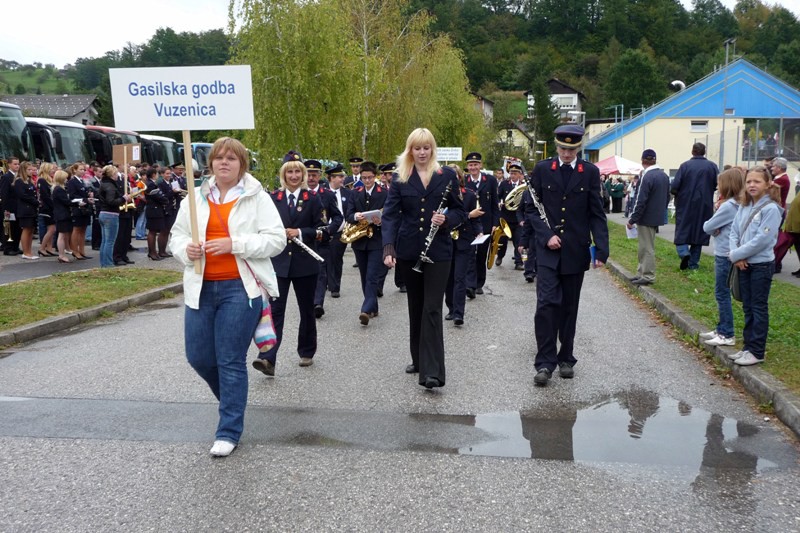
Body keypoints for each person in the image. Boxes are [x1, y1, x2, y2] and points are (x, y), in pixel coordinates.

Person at [169, 137, 286, 457]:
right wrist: (185, 250)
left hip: (240, 288)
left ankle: (229, 429)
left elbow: (275, 241)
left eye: (231, 159)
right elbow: (176, 237)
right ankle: (234, 401)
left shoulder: (256, 197)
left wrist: (234, 244)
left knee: (229, 359)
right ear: (210, 164)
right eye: (218, 158)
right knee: (199, 357)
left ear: (241, 164)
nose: (224, 163)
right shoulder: (194, 198)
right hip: (200, 286)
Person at [382, 127, 466, 389]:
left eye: (426, 147)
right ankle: (418, 359)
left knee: (432, 307)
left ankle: (432, 373)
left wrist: (447, 220)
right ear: (410, 150)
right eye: (416, 148)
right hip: (409, 251)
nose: (421, 152)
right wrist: (388, 247)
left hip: (439, 252)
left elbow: (460, 211)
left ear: (433, 149)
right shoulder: (400, 178)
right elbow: (390, 215)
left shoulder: (447, 175)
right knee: (416, 307)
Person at [525, 124, 609, 386]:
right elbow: (530, 208)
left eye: (571, 149)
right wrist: (545, 234)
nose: (566, 153)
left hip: (575, 250)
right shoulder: (542, 169)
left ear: (578, 148)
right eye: (562, 148)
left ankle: (566, 358)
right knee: (546, 305)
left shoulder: (590, 173)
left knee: (569, 308)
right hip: (548, 251)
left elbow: (596, 212)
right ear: (556, 145)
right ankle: (545, 362)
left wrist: (602, 250)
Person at [252, 151, 324, 377]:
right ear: (283, 175)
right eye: (289, 172)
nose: (293, 176)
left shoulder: (313, 199)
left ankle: (306, 351)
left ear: (303, 174)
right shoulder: (273, 198)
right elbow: (262, 227)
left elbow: (321, 230)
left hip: (305, 264)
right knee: (275, 312)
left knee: (306, 310)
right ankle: (267, 358)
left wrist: (300, 232)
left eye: (297, 172)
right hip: (279, 264)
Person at [727, 166, 783, 366]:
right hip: (743, 264)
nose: (752, 185)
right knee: (748, 307)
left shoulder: (771, 209)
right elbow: (734, 231)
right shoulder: (744, 206)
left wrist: (736, 254)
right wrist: (736, 255)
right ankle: (747, 347)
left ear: (767, 184)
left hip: (760, 266)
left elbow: (762, 240)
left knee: (758, 307)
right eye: (749, 181)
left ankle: (757, 350)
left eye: (757, 181)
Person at [700, 167, 745, 347]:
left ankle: (726, 332)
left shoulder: (727, 206)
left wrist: (712, 226)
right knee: (723, 292)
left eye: (719, 183)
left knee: (722, 292)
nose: (717, 187)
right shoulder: (739, 204)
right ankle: (721, 328)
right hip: (730, 251)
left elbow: (708, 226)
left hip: (724, 252)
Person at [349, 161, 387, 325]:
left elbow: (390, 215)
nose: (367, 181)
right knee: (365, 276)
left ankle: (365, 309)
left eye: (370, 177)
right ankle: (374, 307)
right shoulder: (355, 192)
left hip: (377, 240)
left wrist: (380, 221)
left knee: (372, 275)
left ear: (375, 176)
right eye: (364, 178)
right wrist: (355, 216)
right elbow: (347, 214)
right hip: (360, 240)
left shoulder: (383, 193)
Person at [626, 149, 671, 286]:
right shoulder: (663, 175)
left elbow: (641, 199)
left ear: (643, 160)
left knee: (646, 247)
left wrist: (632, 218)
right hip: (656, 215)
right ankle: (641, 272)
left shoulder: (647, 176)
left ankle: (647, 275)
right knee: (644, 246)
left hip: (646, 216)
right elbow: (668, 196)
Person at [671, 142, 719, 270]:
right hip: (704, 203)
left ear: (693, 151)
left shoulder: (685, 166)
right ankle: (693, 264)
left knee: (682, 229)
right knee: (699, 232)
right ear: (704, 152)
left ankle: (683, 253)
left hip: (685, 203)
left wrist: (677, 194)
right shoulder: (712, 167)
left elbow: (675, 185)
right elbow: (717, 184)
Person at [445, 163, 482, 326]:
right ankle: (451, 308)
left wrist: (479, 231)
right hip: (446, 240)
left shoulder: (470, 195)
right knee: (448, 278)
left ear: (460, 177)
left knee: (460, 278)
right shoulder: (441, 195)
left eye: (455, 176)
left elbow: (477, 218)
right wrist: (469, 215)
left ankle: (459, 313)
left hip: (464, 241)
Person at [306, 159, 342, 319]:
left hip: (322, 240)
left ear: (320, 175)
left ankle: (317, 303)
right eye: (308, 174)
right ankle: (308, 301)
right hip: (304, 241)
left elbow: (337, 217)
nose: (311, 178)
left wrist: (330, 230)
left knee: (321, 273)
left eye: (314, 175)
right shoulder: (300, 193)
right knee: (307, 274)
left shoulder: (327, 195)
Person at [463, 151, 499, 294]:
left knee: (481, 255)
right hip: (469, 224)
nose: (473, 167)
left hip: (485, 224)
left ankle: (479, 283)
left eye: (476, 164)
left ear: (481, 165)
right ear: (467, 166)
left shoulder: (490, 180)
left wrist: (495, 224)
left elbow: (495, 204)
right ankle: (470, 284)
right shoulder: (464, 181)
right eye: (471, 165)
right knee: (470, 254)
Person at [325, 164, 352, 298]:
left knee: (336, 259)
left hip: (341, 232)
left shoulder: (347, 193)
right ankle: (324, 283)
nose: (343, 179)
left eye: (343, 176)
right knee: (324, 258)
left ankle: (335, 287)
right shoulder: (323, 192)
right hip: (325, 231)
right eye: (340, 176)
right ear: (331, 178)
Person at [97, 164, 130, 268]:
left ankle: (104, 263)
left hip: (103, 213)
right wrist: (123, 199)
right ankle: (108, 264)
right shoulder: (110, 186)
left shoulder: (104, 183)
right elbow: (111, 201)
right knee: (110, 242)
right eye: (115, 173)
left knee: (105, 241)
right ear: (111, 174)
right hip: (110, 215)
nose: (117, 175)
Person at [496, 164, 524, 269]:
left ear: (519, 174)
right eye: (511, 173)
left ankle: (518, 262)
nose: (512, 175)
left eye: (515, 173)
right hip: (505, 218)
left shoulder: (523, 185)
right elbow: (497, 197)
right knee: (502, 240)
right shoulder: (504, 184)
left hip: (518, 218)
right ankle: (500, 256)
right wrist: (499, 202)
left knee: (519, 241)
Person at [66, 162, 93, 260]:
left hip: (85, 208)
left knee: (83, 230)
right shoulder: (72, 182)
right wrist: (85, 199)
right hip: (77, 208)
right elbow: (72, 196)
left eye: (84, 170)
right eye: (80, 169)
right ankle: (75, 250)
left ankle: (82, 251)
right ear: (75, 170)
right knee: (76, 229)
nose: (83, 171)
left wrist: (89, 196)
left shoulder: (83, 181)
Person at [13, 162, 39, 260]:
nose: (31, 171)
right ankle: (26, 252)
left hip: (31, 209)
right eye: (29, 169)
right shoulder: (19, 181)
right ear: (23, 170)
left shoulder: (29, 181)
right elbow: (22, 195)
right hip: (25, 209)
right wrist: (35, 201)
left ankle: (29, 251)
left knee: (31, 230)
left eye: (32, 169)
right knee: (26, 229)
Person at [144, 167, 167, 261]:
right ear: (153, 174)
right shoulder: (150, 184)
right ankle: (152, 252)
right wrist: (165, 200)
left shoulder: (152, 183)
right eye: (156, 174)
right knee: (152, 232)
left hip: (155, 209)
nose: (157, 176)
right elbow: (157, 196)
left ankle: (154, 252)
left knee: (154, 231)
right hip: (153, 209)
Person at [52, 170, 74, 263]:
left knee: (63, 235)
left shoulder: (57, 188)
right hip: (62, 214)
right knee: (61, 235)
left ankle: (62, 254)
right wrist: (77, 203)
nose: (66, 180)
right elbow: (66, 202)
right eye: (65, 178)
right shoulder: (59, 189)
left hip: (61, 214)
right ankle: (61, 254)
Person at [36, 162, 58, 257]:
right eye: (51, 168)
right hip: (47, 208)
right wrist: (53, 205)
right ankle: (42, 248)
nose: (53, 170)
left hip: (50, 207)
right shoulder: (42, 180)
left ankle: (49, 248)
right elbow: (45, 196)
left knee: (51, 229)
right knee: (52, 229)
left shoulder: (49, 180)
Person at [1, 157, 22, 255]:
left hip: (18, 207)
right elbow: (4, 194)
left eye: (18, 164)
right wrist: (6, 209)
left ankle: (15, 246)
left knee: (17, 228)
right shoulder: (6, 177)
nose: (17, 166)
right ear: (9, 164)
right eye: (15, 164)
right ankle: (8, 248)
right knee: (9, 229)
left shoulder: (19, 176)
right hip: (10, 207)